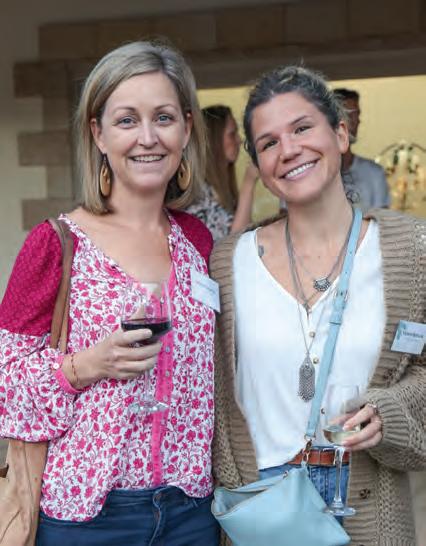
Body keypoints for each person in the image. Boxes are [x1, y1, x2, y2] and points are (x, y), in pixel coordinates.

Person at [0, 41, 220, 546]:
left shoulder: (198, 242)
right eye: (126, 120)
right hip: (88, 517)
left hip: (191, 511)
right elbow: (4, 384)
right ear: (98, 133)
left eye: (163, 117)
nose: (148, 137)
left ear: (186, 128)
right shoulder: (56, 244)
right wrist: (84, 366)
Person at [210, 66, 425, 545]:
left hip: (369, 506)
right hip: (261, 512)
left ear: (341, 134)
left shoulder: (412, 251)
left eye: (302, 128)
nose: (288, 150)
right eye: (268, 143)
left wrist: (388, 411)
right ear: (259, 166)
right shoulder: (227, 264)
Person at [186, 104, 258, 240]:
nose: (239, 140)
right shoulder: (198, 195)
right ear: (214, 140)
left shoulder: (221, 188)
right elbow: (232, 244)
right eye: (232, 134)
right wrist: (249, 181)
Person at [333, 87, 391, 211]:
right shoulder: (313, 173)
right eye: (349, 115)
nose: (356, 121)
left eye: (357, 114)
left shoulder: (374, 173)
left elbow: (383, 219)